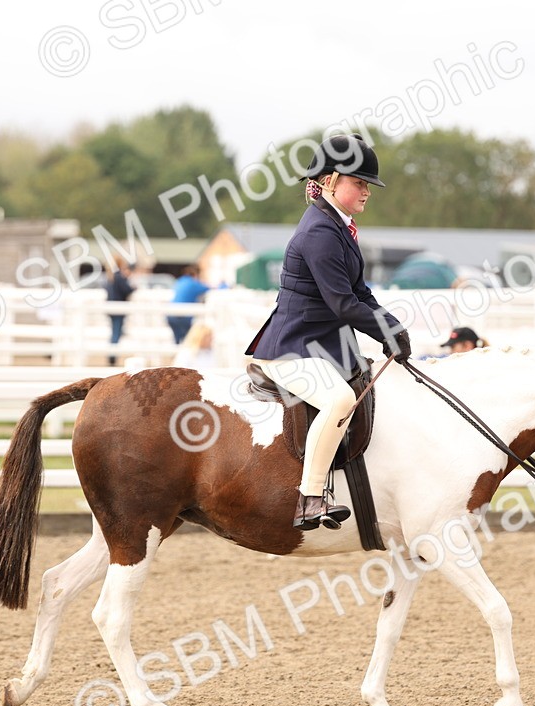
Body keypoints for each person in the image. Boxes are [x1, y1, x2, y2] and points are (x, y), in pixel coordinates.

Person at [246, 133, 411, 531]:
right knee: (339, 400)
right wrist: (386, 330)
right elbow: (342, 304)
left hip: (321, 347)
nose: (367, 192)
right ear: (333, 180)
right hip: (292, 348)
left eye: (368, 185)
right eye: (360, 183)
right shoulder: (319, 232)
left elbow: (360, 292)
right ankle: (311, 496)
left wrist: (393, 327)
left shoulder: (340, 226)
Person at [167, 264, 210, 344]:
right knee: (188, 339)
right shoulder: (193, 283)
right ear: (196, 275)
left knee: (177, 341)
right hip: (183, 316)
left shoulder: (180, 281)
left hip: (171, 314)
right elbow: (208, 288)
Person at [105, 256, 135, 366]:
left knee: (114, 332)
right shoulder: (119, 276)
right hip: (118, 308)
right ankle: (112, 357)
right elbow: (127, 289)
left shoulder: (110, 276)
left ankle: (111, 356)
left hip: (111, 307)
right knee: (116, 333)